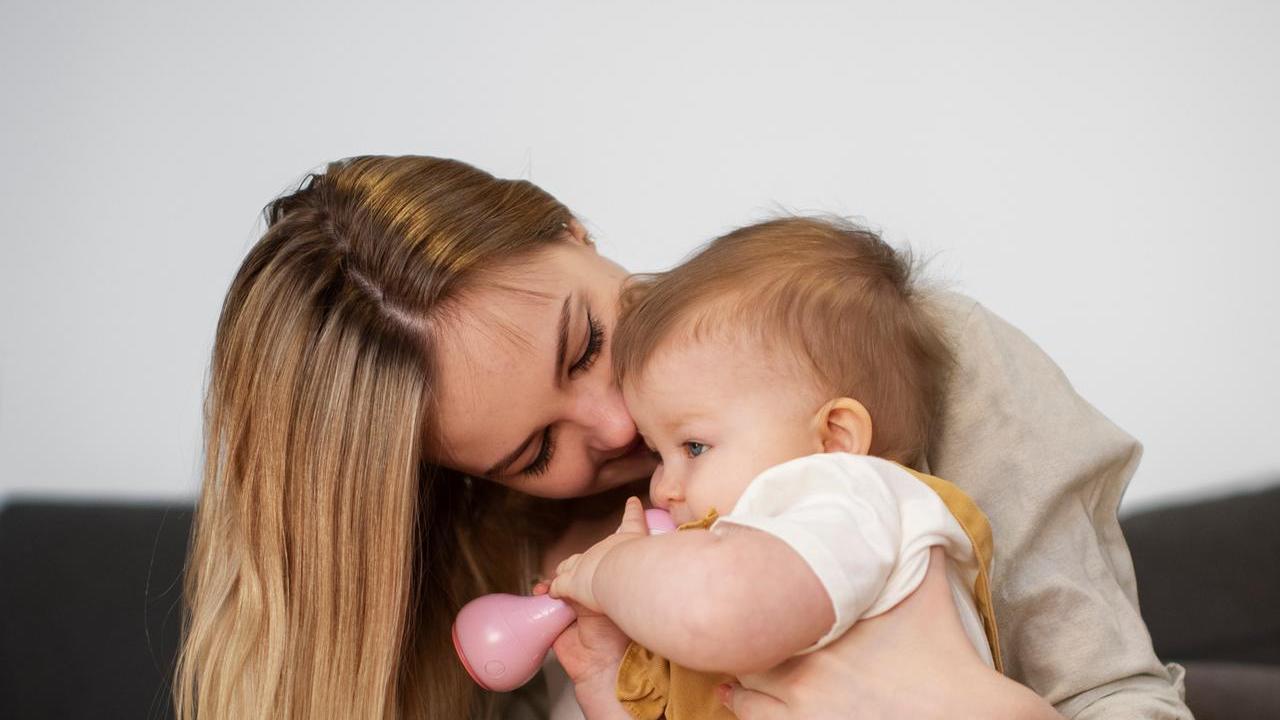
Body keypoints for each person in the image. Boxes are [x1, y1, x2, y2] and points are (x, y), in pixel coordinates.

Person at [175, 155, 1190, 720]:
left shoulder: (897, 359)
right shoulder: (504, 583)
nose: (619, 428)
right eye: (533, 454)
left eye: (584, 344)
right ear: (458, 483)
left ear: (572, 230)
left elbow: (1115, 696)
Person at [547, 217, 1057, 719]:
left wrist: (609, 571)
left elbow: (714, 613)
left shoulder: (851, 497)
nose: (663, 488)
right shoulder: (756, 564)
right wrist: (604, 677)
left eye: (695, 447)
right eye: (659, 455)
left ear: (834, 438)